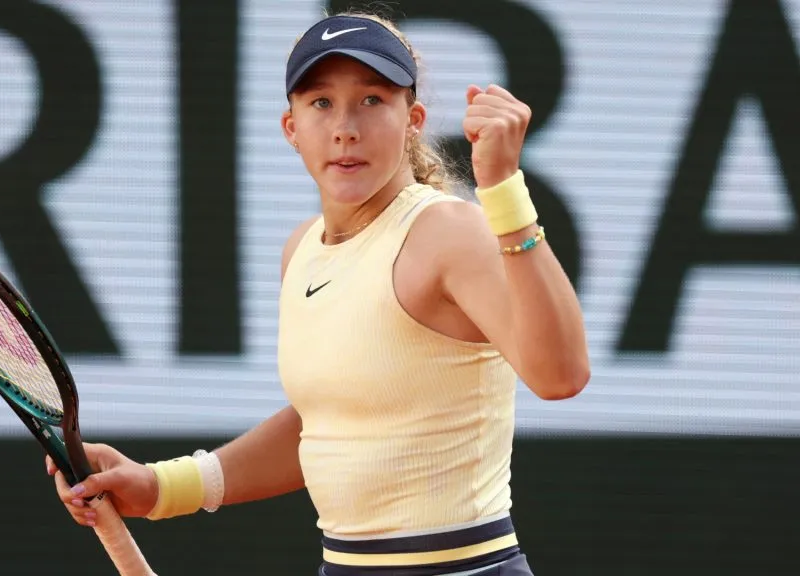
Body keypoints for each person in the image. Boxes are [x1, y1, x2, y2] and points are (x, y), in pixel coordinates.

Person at [47, 11, 589, 576]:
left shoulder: (448, 230)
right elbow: (323, 426)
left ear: (413, 120)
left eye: (372, 100)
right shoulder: (302, 249)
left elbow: (562, 375)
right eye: (321, 102)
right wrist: (162, 487)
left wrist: (503, 190)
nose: (345, 127)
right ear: (292, 127)